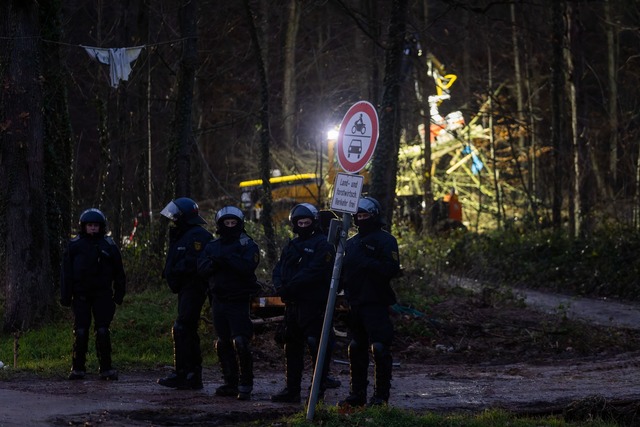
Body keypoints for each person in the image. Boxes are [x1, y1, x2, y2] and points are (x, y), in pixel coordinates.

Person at [270, 203, 336, 403]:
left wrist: (291, 286)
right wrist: (279, 285)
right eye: (300, 222)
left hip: (313, 303)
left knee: (315, 344)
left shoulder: (323, 244)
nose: (303, 225)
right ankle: (292, 390)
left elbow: (315, 270)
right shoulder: (292, 245)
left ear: (314, 222)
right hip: (292, 304)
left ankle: (318, 391)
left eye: (307, 222)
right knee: (291, 345)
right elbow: (279, 268)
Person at [339, 197, 400, 407]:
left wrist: (366, 262)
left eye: (365, 216)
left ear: (373, 216)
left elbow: (391, 269)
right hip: (355, 304)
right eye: (359, 216)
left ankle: (381, 396)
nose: (361, 219)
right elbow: (341, 273)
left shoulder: (386, 240)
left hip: (376, 302)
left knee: (380, 348)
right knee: (356, 348)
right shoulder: (350, 243)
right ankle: (357, 394)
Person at [197, 206, 260, 401]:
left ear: (240, 224)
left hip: (238, 299)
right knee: (223, 342)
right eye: (227, 223)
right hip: (219, 299)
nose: (230, 226)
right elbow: (201, 269)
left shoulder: (248, 244)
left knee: (240, 341)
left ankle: (246, 382)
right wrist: (215, 264)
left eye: (234, 223)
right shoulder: (212, 246)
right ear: (220, 224)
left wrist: (227, 261)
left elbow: (248, 266)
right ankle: (230, 381)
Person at [60, 208, 126, 381]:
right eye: (90, 225)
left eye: (96, 225)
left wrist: (119, 295)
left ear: (101, 226)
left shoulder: (109, 245)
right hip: (81, 295)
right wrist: (66, 297)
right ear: (84, 226)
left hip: (103, 295)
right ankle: (78, 368)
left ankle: (106, 368)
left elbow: (119, 272)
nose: (93, 228)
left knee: (103, 330)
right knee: (81, 331)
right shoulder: (74, 246)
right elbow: (66, 273)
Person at [157, 197, 213, 390]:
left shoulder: (198, 236)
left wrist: (179, 271)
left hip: (195, 287)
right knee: (184, 328)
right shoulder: (182, 234)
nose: (172, 218)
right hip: (184, 288)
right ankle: (187, 373)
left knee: (183, 327)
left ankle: (187, 374)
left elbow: (196, 263)